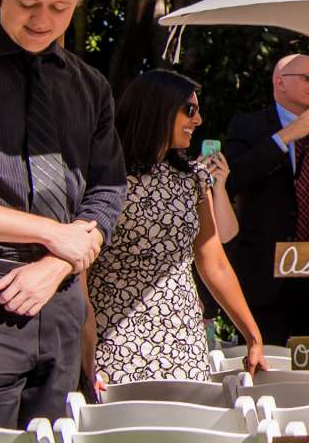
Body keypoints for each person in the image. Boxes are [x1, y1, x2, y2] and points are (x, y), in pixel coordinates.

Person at [0, 0, 125, 443]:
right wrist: (49, 234)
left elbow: (107, 192)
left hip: (62, 304)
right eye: (28, 4)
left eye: (58, 7)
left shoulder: (90, 86)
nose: (42, 19)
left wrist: (56, 263)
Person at [85, 69, 268, 387]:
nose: (198, 120)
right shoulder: (102, 176)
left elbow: (214, 262)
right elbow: (79, 275)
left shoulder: (193, 177)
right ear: (158, 109)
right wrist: (83, 357)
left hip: (183, 339)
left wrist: (253, 335)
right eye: (190, 109)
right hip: (112, 338)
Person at [221, 52, 309, 344]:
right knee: (267, 370)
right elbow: (231, 180)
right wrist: (284, 138)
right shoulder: (249, 126)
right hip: (267, 274)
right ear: (280, 83)